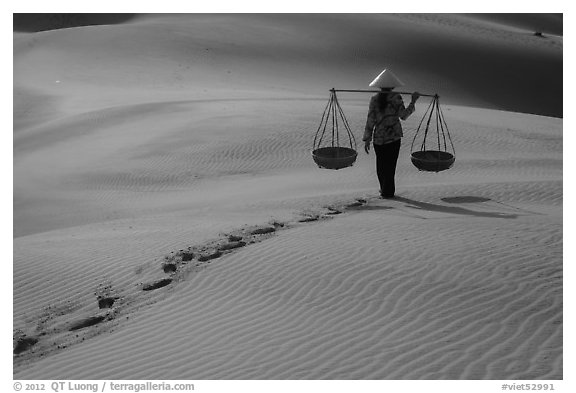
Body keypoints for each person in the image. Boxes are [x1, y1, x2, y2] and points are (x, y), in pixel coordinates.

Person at [363, 69, 420, 199]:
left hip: (379, 138)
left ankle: (384, 190)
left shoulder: (374, 99)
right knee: (390, 165)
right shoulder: (396, 97)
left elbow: (371, 119)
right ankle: (387, 193)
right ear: (392, 86)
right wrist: (413, 101)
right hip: (393, 138)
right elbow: (403, 116)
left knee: (381, 165)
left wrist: (367, 138)